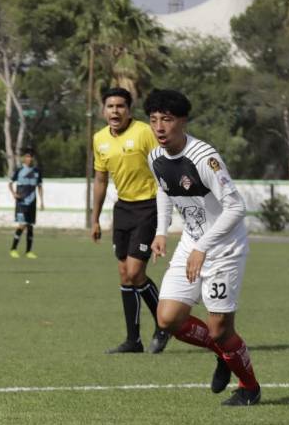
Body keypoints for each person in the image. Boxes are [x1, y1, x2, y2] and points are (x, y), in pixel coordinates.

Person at [145, 90, 260, 406]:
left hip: (223, 249)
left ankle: (249, 387)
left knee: (220, 329)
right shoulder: (155, 157)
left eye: (166, 120)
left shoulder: (203, 157)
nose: (159, 128)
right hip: (191, 244)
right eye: (154, 120)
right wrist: (161, 232)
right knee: (167, 319)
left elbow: (235, 207)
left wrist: (204, 247)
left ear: (182, 121)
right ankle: (223, 354)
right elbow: (163, 190)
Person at [90, 87, 171, 354]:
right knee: (125, 274)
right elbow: (101, 180)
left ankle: (164, 324)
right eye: (110, 106)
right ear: (104, 111)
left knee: (136, 272)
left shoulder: (144, 132)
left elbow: (163, 165)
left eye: (121, 106)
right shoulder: (99, 139)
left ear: (129, 110)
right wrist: (95, 219)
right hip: (122, 208)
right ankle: (133, 340)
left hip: (149, 207)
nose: (115, 111)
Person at [8, 148, 44, 258]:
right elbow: (10, 183)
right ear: (24, 158)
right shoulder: (19, 170)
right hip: (21, 202)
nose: (29, 159)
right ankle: (13, 249)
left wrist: (42, 201)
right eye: (27, 156)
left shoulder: (37, 171)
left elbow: (40, 186)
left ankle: (28, 251)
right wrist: (14, 193)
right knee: (22, 225)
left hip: (32, 202)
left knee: (30, 226)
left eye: (31, 156)